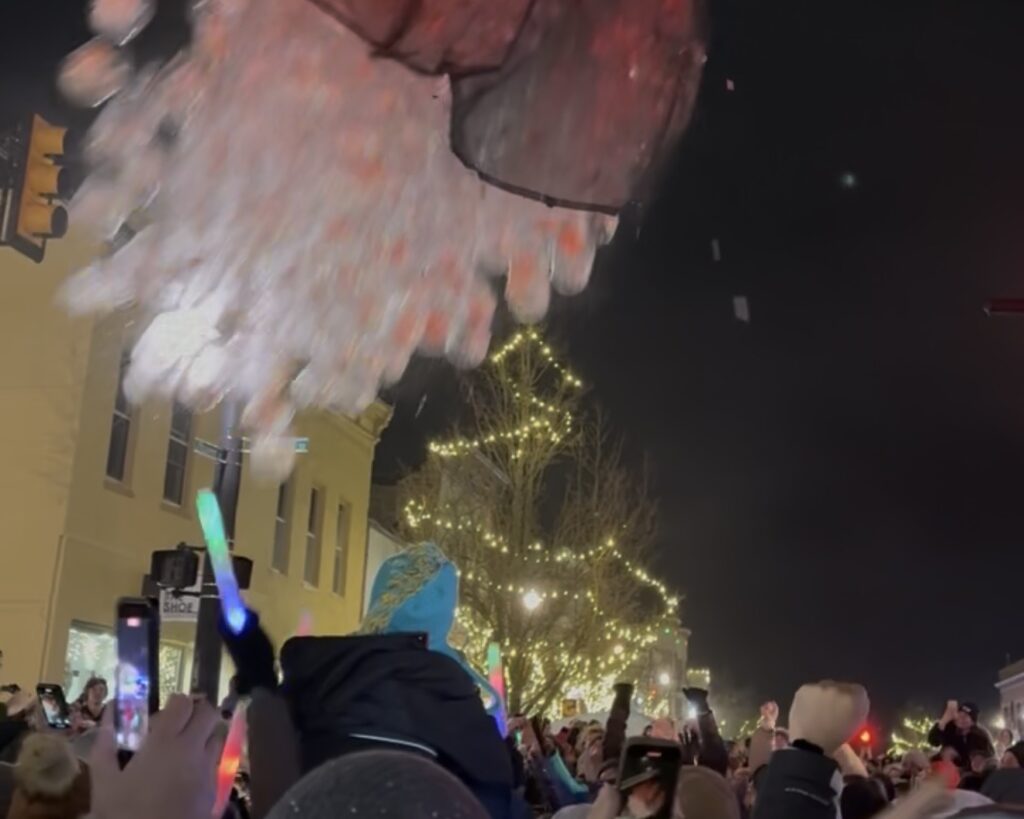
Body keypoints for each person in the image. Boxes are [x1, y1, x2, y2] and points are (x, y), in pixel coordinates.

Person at [927, 700, 994, 766]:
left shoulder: (979, 736)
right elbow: (933, 741)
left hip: (966, 770)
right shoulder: (950, 727)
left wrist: (957, 755)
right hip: (942, 765)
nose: (961, 718)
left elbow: (985, 757)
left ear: (973, 722)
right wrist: (944, 721)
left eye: (965, 716)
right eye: (959, 714)